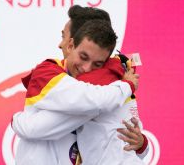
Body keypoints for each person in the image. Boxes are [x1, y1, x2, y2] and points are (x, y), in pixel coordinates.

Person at [12, 19, 138, 165]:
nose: (86, 67)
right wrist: (127, 86)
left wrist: (142, 144)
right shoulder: (50, 74)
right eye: (83, 57)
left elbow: (31, 128)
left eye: (97, 64)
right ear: (70, 46)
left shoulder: (101, 91)